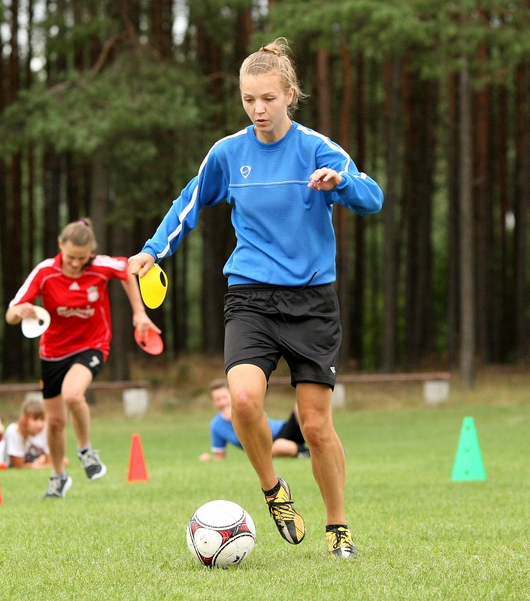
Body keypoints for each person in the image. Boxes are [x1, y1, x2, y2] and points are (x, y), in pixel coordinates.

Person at [128, 38, 383, 558]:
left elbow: (371, 197)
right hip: (251, 294)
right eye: (248, 99)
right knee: (243, 398)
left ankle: (339, 528)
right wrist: (154, 250)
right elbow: (190, 202)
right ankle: (273, 489)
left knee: (314, 425)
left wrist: (342, 183)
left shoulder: (317, 148)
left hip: (313, 300)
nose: (258, 109)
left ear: (290, 94)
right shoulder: (228, 153)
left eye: (267, 98)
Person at [6, 218, 158, 499]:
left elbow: (127, 268)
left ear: (92, 252)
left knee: (73, 395)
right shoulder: (45, 272)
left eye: (82, 258)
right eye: (71, 257)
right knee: (54, 422)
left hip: (92, 344)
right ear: (60, 245)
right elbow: (11, 313)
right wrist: (22, 310)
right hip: (52, 351)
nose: (76, 264)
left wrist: (139, 312)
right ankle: (58, 477)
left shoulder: (100, 266)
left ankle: (86, 451)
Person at [199, 379, 309, 462]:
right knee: (280, 446)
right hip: (268, 448)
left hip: (284, 430)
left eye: (224, 397)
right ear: (213, 404)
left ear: (232, 396)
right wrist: (209, 458)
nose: (222, 402)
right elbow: (220, 456)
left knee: (302, 404)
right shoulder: (217, 426)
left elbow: (261, 424)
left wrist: (238, 416)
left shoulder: (245, 409)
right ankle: (307, 453)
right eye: (218, 400)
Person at [0, 393, 54, 469]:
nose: (40, 425)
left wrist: (42, 462)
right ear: (24, 419)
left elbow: (51, 462)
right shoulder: (13, 431)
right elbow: (18, 466)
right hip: (0, 461)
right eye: (35, 419)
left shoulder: (46, 430)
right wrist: (39, 465)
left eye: (42, 419)